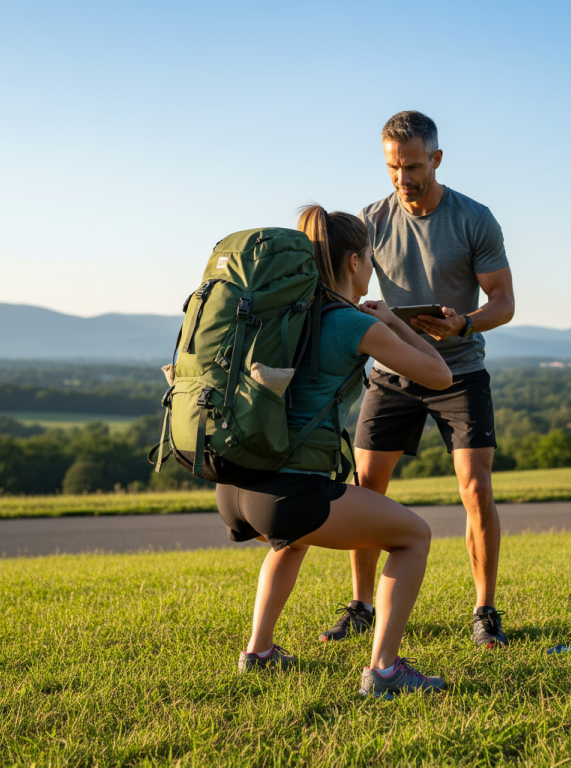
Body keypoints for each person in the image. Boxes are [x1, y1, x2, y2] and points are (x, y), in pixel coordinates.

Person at [215, 204, 453, 697]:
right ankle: (385, 671)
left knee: (292, 541)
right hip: (287, 495)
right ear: (353, 262)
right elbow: (440, 374)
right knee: (414, 536)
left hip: (236, 488)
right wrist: (394, 323)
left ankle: (258, 653)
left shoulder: (282, 313)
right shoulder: (350, 323)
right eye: (370, 257)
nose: (373, 268)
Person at [319, 111, 516, 649]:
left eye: (412, 167)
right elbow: (343, 282)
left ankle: (484, 611)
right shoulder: (372, 220)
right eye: (392, 168)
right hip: (392, 370)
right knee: (365, 489)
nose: (402, 179)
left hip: (460, 369)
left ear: (436, 159)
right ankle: (360, 605)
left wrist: (464, 322)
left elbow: (504, 303)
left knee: (476, 489)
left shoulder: (475, 218)